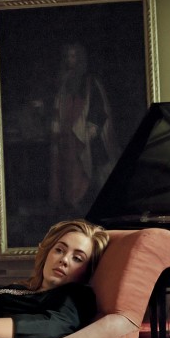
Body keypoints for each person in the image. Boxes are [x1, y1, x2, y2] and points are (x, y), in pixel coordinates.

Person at [49, 43, 120, 216]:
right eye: (68, 56)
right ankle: (71, 204)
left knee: (87, 168)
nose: (70, 60)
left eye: (73, 56)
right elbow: (59, 106)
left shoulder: (89, 81)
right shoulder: (63, 81)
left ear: (80, 58)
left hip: (82, 133)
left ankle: (87, 203)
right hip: (67, 133)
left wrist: (92, 127)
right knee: (68, 169)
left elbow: (98, 106)